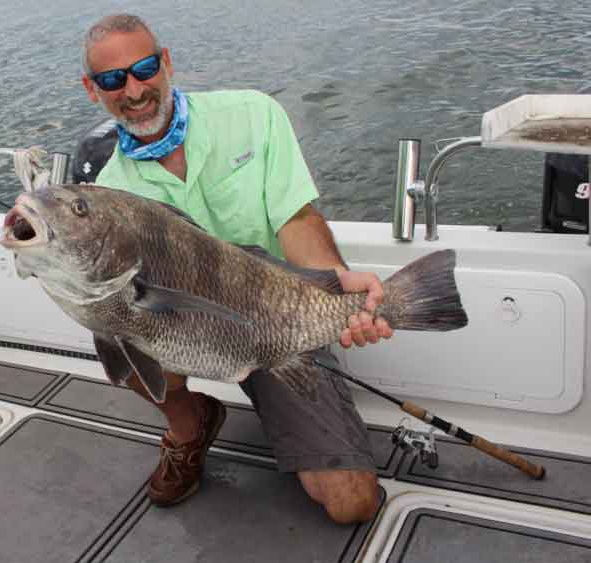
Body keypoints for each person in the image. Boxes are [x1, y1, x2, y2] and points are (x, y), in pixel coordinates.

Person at [81, 14, 393, 524]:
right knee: (120, 343)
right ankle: (190, 425)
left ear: (166, 62)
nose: (134, 90)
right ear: (92, 89)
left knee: (351, 504)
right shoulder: (110, 195)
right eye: (113, 80)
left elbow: (296, 219)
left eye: (143, 69)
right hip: (184, 330)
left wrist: (337, 284)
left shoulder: (252, 113)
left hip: (277, 321)